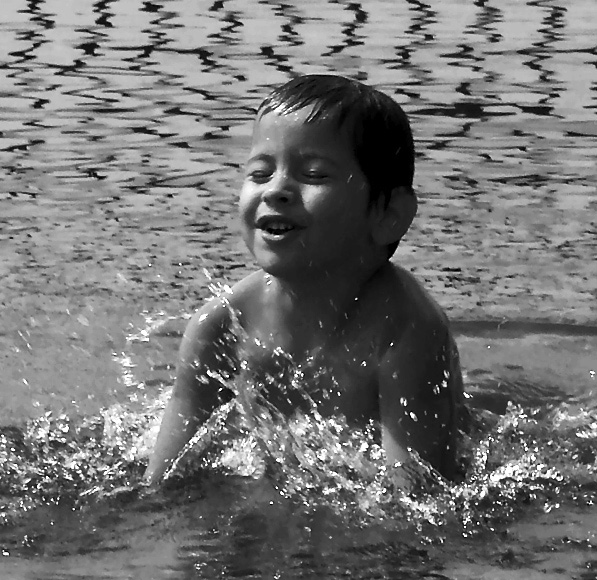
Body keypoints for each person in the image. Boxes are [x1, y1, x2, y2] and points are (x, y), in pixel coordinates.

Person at [145, 74, 463, 486]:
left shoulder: (406, 330)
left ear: (388, 215)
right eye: (260, 173)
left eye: (313, 175)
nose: (276, 190)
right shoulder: (222, 327)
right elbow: (163, 480)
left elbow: (419, 497)